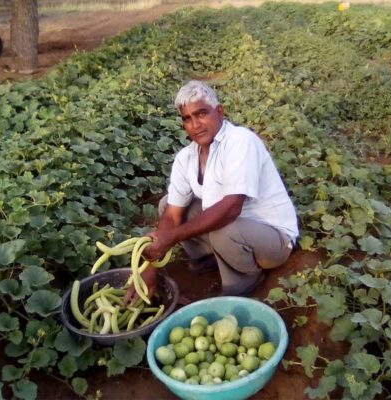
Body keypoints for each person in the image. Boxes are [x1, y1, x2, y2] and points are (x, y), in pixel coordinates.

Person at [126, 80, 298, 303]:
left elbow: (231, 208)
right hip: (235, 230)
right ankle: (208, 257)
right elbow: (172, 214)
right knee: (168, 204)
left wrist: (171, 237)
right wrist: (150, 268)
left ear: (219, 112)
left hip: (273, 238)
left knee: (223, 229)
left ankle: (246, 281)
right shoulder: (186, 157)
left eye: (201, 113)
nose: (195, 124)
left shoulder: (240, 141)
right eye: (187, 118)